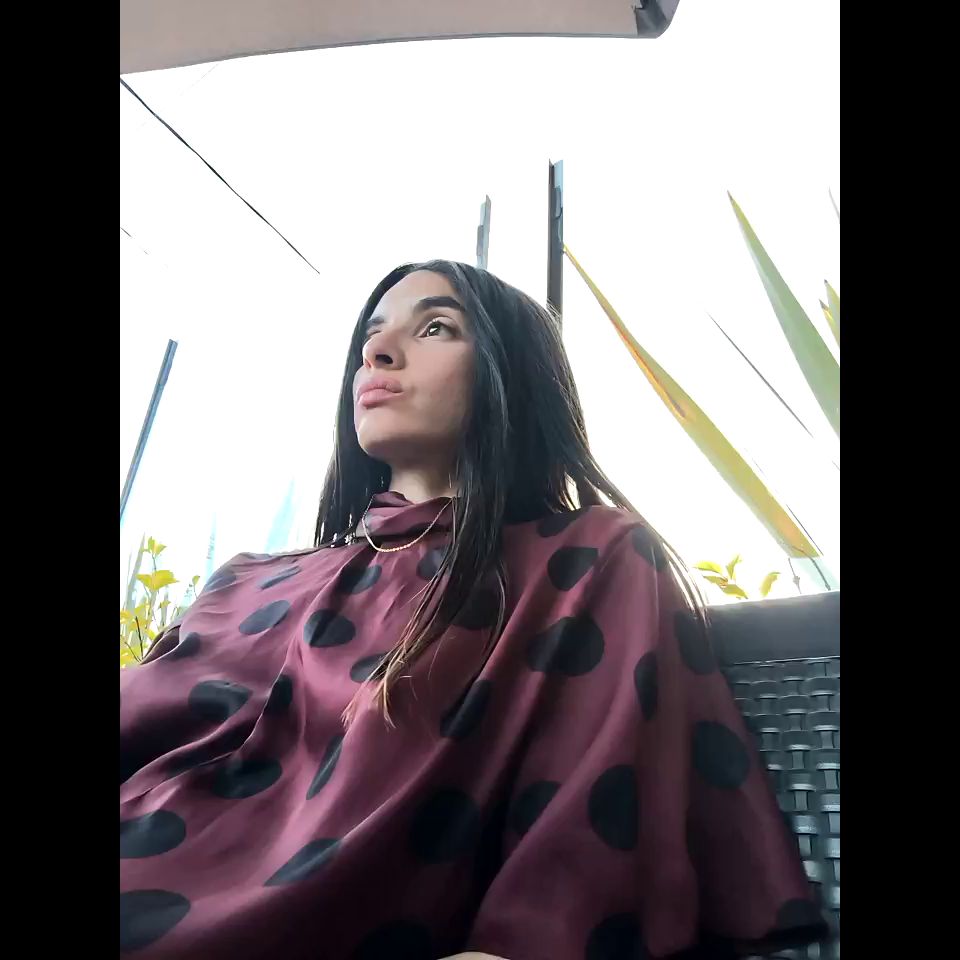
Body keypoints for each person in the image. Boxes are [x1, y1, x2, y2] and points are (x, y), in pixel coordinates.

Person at [120, 261, 826, 959]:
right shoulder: (248, 579)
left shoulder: (585, 557)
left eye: (435, 327)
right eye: (372, 335)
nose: (377, 351)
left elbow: (579, 857)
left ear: (510, 371)